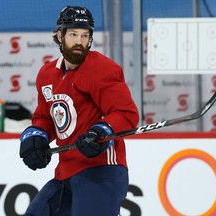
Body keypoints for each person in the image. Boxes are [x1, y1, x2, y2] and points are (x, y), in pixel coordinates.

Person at [19, 5, 139, 216]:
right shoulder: (47, 74)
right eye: (73, 34)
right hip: (66, 172)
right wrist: (36, 136)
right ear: (59, 35)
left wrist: (100, 132)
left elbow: (126, 113)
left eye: (85, 36)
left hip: (102, 171)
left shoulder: (102, 69)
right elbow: (44, 117)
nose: (79, 42)